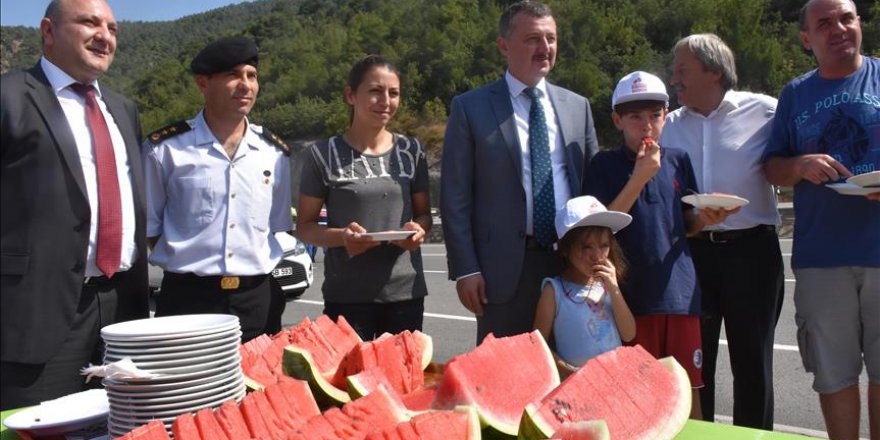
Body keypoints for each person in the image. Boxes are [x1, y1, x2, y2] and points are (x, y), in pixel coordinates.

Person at [0, 0, 149, 409]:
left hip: (123, 311)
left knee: (124, 426)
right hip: (37, 314)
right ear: (48, 31)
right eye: (89, 22)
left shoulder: (123, 110)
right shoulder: (9, 96)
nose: (105, 36)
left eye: (113, 28)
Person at [440, 0, 599, 343]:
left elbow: (590, 189)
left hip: (569, 265)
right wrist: (466, 268)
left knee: (570, 379)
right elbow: (455, 196)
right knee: (503, 384)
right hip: (502, 273)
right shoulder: (470, 108)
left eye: (551, 39)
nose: (545, 48)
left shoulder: (578, 107)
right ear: (503, 45)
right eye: (532, 39)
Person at [585, 71, 732, 419]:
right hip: (629, 299)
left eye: (654, 115)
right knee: (635, 397)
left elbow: (685, 224)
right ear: (618, 120)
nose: (646, 126)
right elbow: (601, 231)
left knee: (688, 390)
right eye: (635, 117)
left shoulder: (678, 159)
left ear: (666, 115)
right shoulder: (603, 165)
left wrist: (705, 219)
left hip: (680, 295)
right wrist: (640, 177)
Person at [762, 0, 879, 437]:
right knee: (834, 375)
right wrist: (799, 166)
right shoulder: (796, 93)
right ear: (806, 39)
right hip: (821, 258)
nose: (839, 29)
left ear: (859, 23)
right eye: (824, 23)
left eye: (846, 18)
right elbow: (772, 166)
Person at [659, 33, 785, 429]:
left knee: (753, 364)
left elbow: (792, 158)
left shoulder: (765, 111)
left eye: (682, 70)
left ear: (713, 71)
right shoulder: (668, 125)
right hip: (693, 255)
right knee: (695, 365)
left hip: (753, 254)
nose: (674, 78)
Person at [142, 36, 292, 342]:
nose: (246, 85)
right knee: (186, 388)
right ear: (203, 83)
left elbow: (277, 225)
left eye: (251, 75)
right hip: (189, 300)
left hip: (257, 299)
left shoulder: (274, 153)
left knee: (260, 388)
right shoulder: (165, 150)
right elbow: (149, 228)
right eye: (233, 75)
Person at [296, 55, 432, 341]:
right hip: (346, 298)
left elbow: (424, 215)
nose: (385, 100)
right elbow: (305, 227)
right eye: (374, 91)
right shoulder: (322, 154)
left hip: (405, 296)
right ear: (350, 95)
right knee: (345, 383)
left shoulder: (411, 151)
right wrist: (343, 237)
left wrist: (418, 230)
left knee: (401, 384)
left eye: (393, 93)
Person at [533, 196, 636, 379]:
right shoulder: (554, 291)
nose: (597, 256)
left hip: (615, 381)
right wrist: (570, 371)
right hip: (574, 386)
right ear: (565, 248)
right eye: (586, 247)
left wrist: (614, 287)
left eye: (604, 246)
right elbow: (537, 346)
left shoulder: (608, 286)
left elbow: (628, 334)